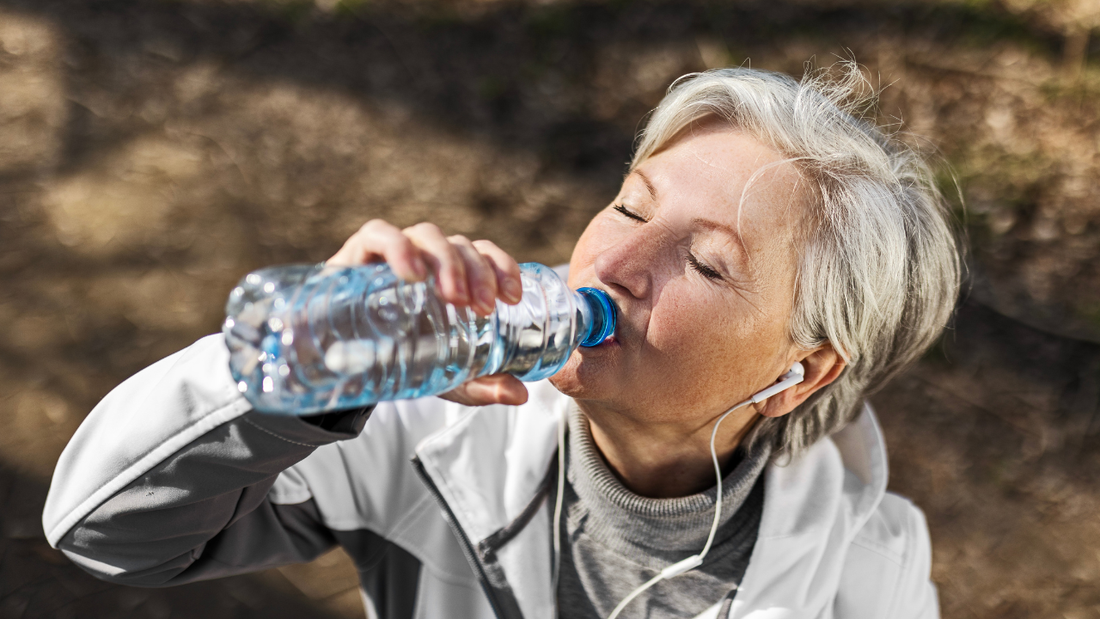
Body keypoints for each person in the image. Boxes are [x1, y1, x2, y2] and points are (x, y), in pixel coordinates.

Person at [43, 64, 960, 619]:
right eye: (631, 204)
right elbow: (105, 531)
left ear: (799, 372)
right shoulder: (414, 429)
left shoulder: (868, 575)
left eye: (709, 264)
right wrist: (310, 370)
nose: (618, 261)